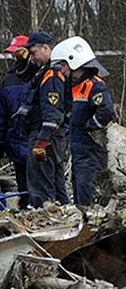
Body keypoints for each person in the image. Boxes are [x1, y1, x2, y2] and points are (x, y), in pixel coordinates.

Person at [51, 36, 115, 206]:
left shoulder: (94, 86)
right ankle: (83, 223)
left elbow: (107, 111)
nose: (63, 70)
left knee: (88, 192)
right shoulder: (74, 87)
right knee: (79, 190)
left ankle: (93, 226)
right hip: (79, 151)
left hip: (91, 151)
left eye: (64, 65)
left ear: (75, 61)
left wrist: (91, 126)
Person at [19, 31, 69, 207]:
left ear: (46, 48)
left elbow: (53, 111)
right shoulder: (44, 72)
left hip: (45, 135)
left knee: (41, 185)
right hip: (47, 134)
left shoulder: (51, 75)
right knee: (55, 183)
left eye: (33, 52)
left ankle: (46, 218)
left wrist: (42, 140)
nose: (32, 58)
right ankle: (64, 215)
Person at [0, 35, 32, 208]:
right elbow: (0, 114)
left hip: (36, 139)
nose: (15, 57)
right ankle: (26, 211)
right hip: (15, 140)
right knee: (23, 185)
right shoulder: (8, 81)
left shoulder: (41, 75)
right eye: (13, 54)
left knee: (40, 184)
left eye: (18, 52)